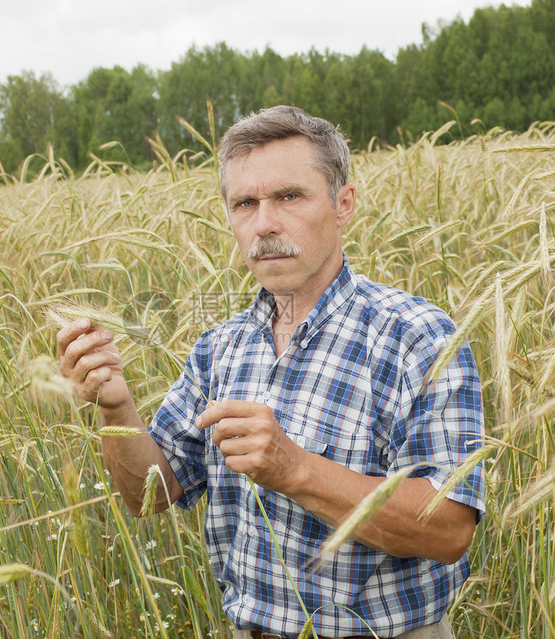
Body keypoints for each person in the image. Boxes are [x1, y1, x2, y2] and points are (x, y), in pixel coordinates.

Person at [56, 105, 485, 639]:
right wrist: (116, 407)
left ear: (343, 203)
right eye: (245, 203)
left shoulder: (418, 338)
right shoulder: (219, 349)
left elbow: (448, 530)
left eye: (289, 196)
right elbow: (150, 494)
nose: (264, 224)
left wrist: (295, 469)